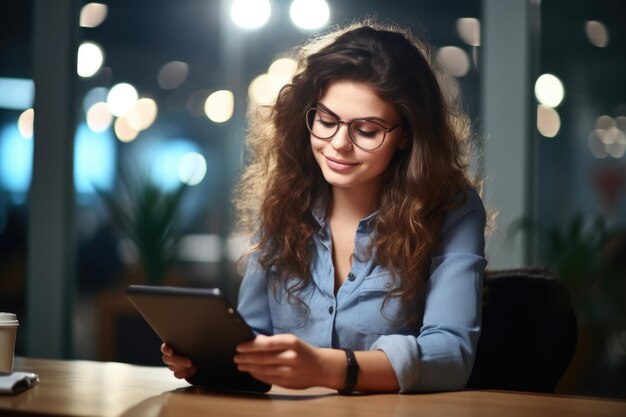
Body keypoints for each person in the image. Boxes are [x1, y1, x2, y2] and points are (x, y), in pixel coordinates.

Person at [162, 20, 487, 394]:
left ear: (407, 136)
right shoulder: (284, 201)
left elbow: (450, 355)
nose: (338, 144)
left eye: (366, 130)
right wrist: (211, 357)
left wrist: (328, 368)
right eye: (327, 120)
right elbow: (254, 336)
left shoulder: (451, 209)